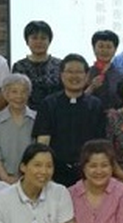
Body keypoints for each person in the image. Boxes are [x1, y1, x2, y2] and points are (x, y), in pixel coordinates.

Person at [33, 53, 107, 186]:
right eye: (70, 72)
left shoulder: (96, 105)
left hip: (88, 173)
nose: (75, 76)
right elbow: (43, 142)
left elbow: (100, 143)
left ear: (86, 75)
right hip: (55, 173)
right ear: (61, 75)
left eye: (79, 72)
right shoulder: (49, 104)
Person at [0, 73, 36, 184]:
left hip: (31, 178)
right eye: (14, 92)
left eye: (23, 92)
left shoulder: (36, 119)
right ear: (6, 94)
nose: (19, 96)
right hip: (1, 180)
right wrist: (5, 178)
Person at [11, 20, 63, 110]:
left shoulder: (60, 65)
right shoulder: (19, 66)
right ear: (27, 41)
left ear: (49, 41)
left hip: (56, 116)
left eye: (43, 38)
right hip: (27, 117)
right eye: (34, 38)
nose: (39, 42)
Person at [85, 29, 123, 110]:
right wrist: (91, 87)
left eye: (109, 47)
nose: (104, 50)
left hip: (114, 119)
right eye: (101, 46)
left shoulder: (121, 76)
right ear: (93, 48)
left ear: (115, 50)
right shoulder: (85, 73)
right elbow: (76, 99)